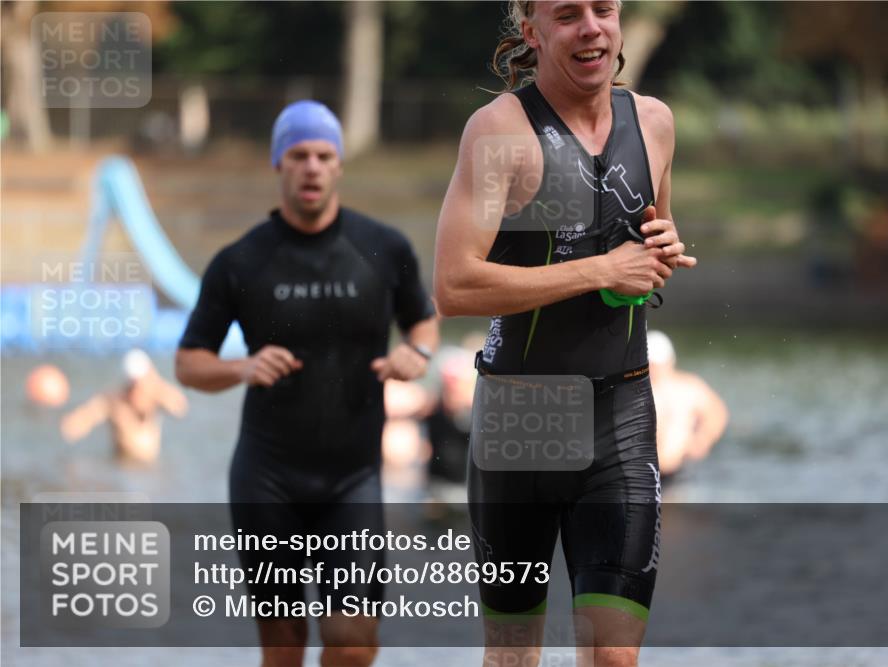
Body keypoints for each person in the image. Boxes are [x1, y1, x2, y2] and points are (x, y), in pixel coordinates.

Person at [433, 2, 695, 665]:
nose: (591, 28)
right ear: (533, 31)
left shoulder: (655, 124)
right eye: (568, 13)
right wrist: (600, 268)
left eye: (603, 9)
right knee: (514, 653)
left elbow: (652, 244)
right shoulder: (499, 133)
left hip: (622, 415)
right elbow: (454, 285)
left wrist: (662, 247)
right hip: (521, 419)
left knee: (613, 655)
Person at [174, 100, 438, 667]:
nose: (312, 167)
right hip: (267, 480)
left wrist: (417, 352)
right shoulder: (240, 261)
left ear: (339, 164)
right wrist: (242, 367)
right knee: (284, 647)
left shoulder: (382, 248)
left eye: (323, 155)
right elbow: (188, 363)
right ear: (279, 164)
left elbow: (423, 317)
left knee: (352, 642)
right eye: (298, 155)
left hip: (353, 479)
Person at [61, 349, 188, 465]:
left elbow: (180, 408)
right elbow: (84, 418)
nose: (137, 389)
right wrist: (74, 424)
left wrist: (156, 383)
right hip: (122, 467)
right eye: (133, 384)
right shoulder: (113, 401)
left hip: (150, 468)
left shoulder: (156, 396)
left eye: (140, 383)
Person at [647, 330, 728, 478]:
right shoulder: (635, 389)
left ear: (670, 361)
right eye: (651, 364)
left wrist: (703, 439)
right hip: (641, 470)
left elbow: (716, 412)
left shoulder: (689, 387)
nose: (655, 369)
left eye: (658, 364)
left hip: (678, 469)